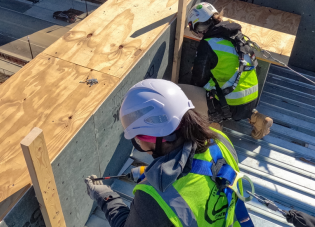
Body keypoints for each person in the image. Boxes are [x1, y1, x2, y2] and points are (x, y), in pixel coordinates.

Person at [85, 79, 254, 227]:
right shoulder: (219, 140)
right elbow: (196, 169)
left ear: (149, 139)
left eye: (136, 139)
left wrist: (106, 197)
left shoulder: (153, 200)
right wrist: (149, 173)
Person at [186, 2, 273, 139]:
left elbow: (198, 80)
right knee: (229, 85)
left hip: (229, 106)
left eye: (193, 27)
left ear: (200, 26)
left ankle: (213, 124)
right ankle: (258, 118)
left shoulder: (208, 44)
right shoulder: (237, 36)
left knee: (185, 95)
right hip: (251, 100)